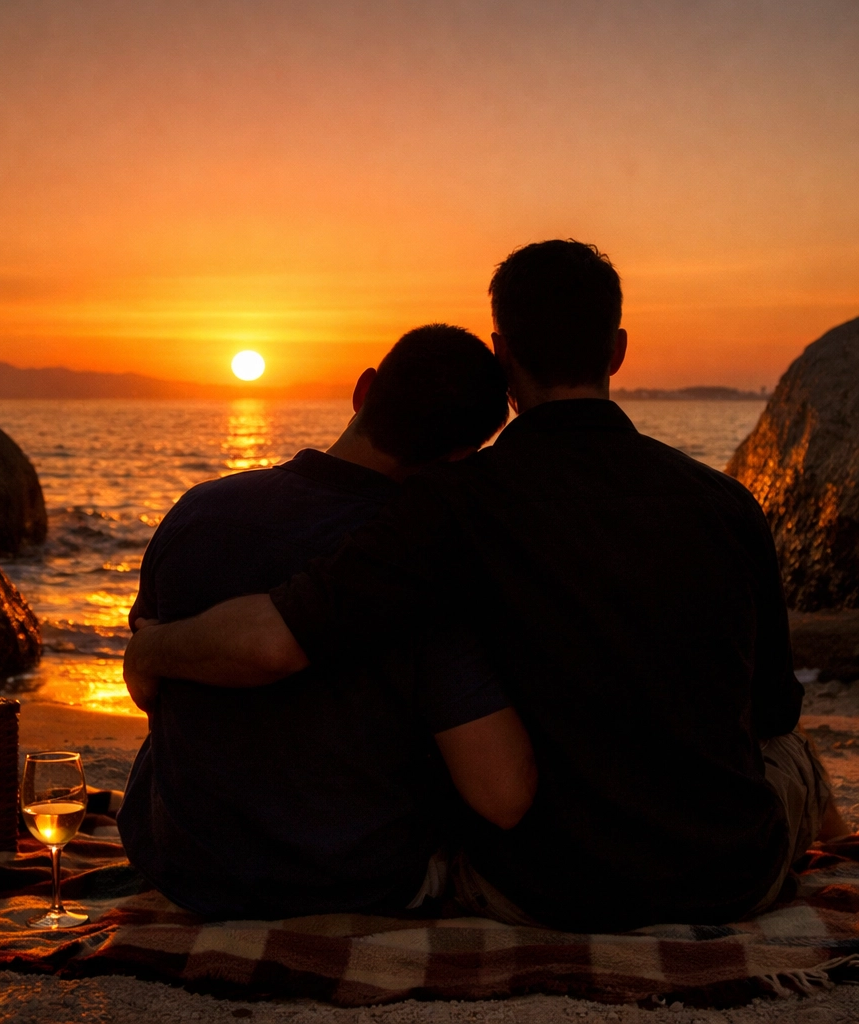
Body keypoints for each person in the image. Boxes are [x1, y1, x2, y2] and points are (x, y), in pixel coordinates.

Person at [125, 240, 848, 932]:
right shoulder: (727, 505)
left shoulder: (452, 505)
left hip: (543, 886)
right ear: (618, 350)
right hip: (730, 880)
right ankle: (843, 866)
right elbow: (772, 711)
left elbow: (281, 636)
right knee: (796, 752)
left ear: (505, 358)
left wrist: (151, 651)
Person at [118, 324, 537, 920]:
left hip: (191, 873)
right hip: (354, 883)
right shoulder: (418, 558)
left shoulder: (198, 513)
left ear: (363, 389)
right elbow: (501, 793)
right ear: (459, 457)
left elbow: (144, 690)